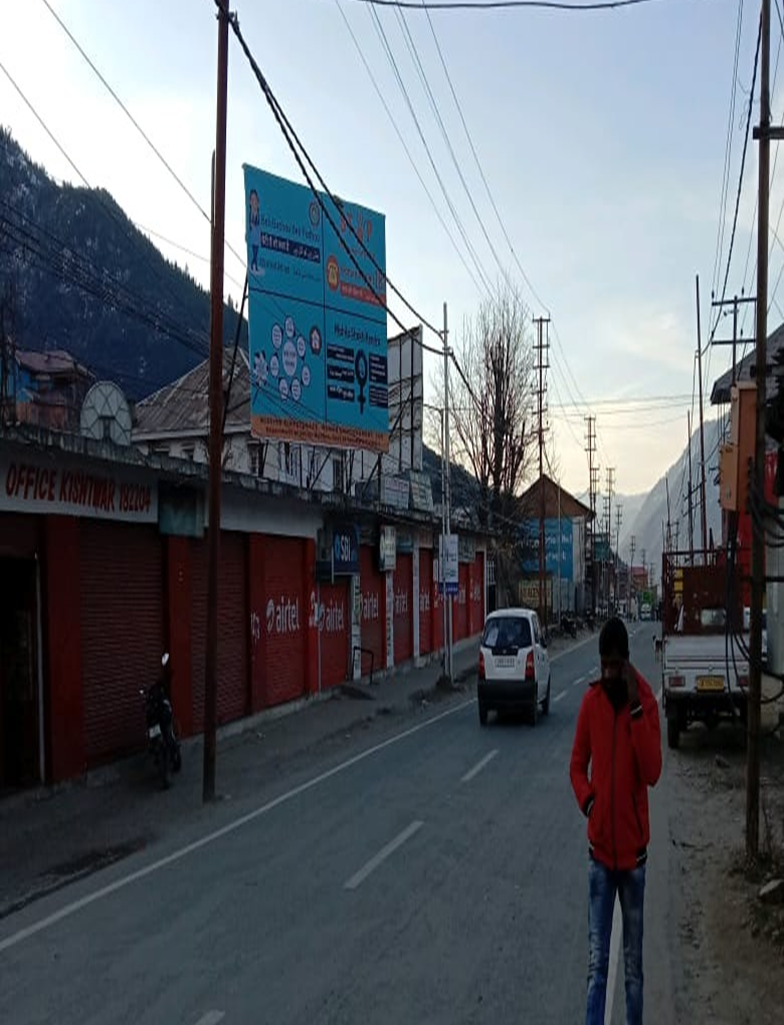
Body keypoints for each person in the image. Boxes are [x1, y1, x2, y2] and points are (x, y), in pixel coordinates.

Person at [570, 616, 662, 1025]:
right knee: (596, 967)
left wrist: (637, 709)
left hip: (635, 862)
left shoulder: (645, 700)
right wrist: (589, 803)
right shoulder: (590, 703)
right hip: (600, 860)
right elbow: (576, 766)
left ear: (626, 662)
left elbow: (653, 772)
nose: (607, 672)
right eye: (603, 664)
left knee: (633, 973)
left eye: (614, 665)